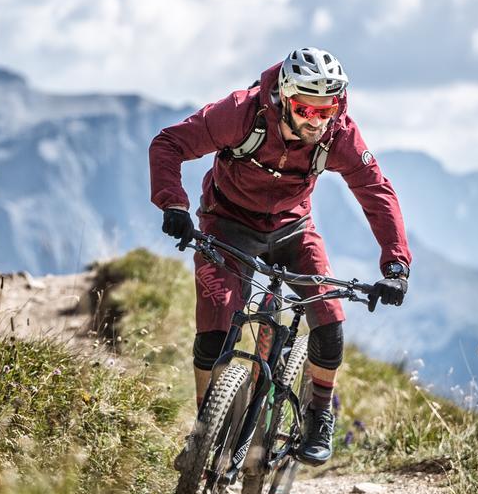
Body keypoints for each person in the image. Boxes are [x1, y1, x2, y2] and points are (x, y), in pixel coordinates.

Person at [148, 47, 411, 465]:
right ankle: (204, 431)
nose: (316, 120)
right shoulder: (239, 113)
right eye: (306, 109)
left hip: (294, 229)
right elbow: (169, 144)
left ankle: (319, 417)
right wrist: (174, 204)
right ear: (285, 99)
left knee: (329, 323)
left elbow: (375, 191)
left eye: (327, 109)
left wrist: (396, 264)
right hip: (226, 223)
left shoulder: (338, 134)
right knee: (214, 331)